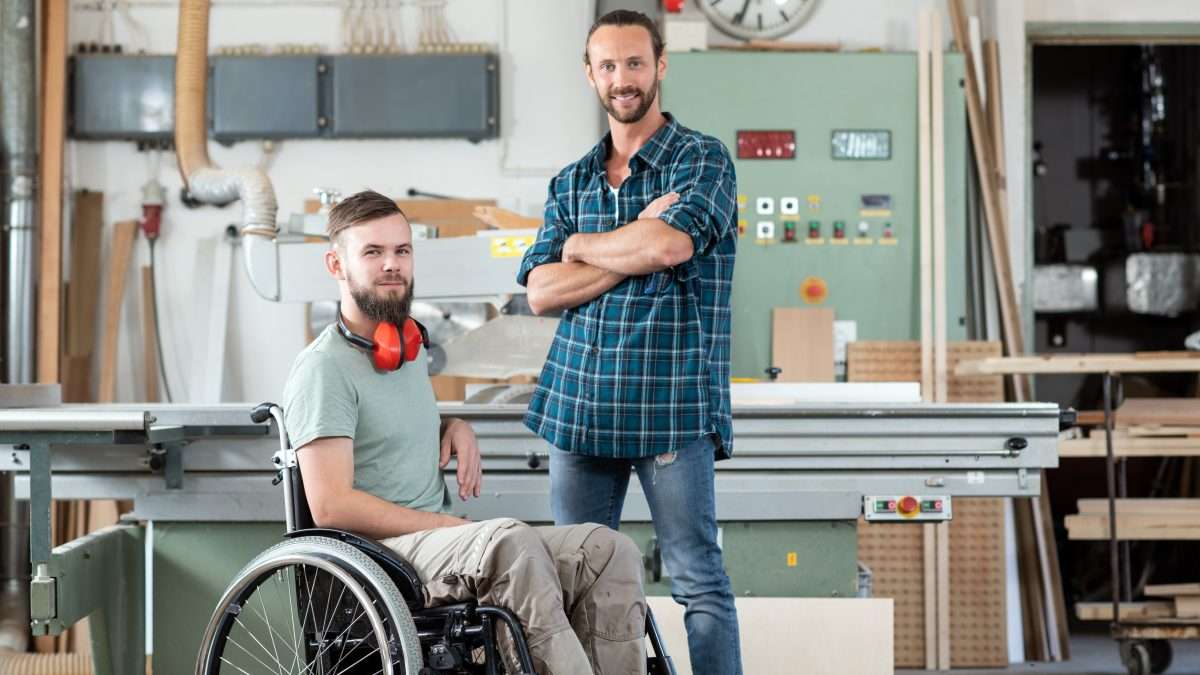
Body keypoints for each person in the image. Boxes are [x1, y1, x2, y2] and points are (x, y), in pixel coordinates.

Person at [282, 189, 648, 675]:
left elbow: (380, 431)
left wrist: (452, 425)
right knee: (507, 543)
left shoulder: (404, 348)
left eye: (402, 250)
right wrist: (451, 527)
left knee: (606, 549)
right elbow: (333, 506)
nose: (392, 264)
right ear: (336, 265)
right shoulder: (324, 369)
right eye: (373, 252)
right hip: (373, 563)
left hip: (433, 550)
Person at [517, 9, 743, 674]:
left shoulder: (701, 159)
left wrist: (580, 248)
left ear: (660, 66)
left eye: (635, 63)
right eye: (609, 66)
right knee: (574, 583)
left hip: (671, 402)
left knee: (696, 577)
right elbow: (538, 291)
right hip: (580, 405)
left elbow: (671, 242)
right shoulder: (572, 180)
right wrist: (622, 249)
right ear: (591, 75)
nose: (623, 78)